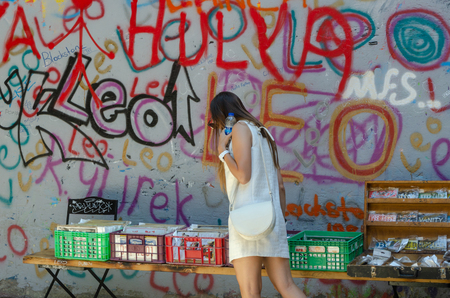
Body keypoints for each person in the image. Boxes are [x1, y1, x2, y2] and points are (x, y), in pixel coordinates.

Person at [209, 91, 307, 298]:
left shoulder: (240, 129)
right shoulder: (264, 133)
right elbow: (280, 185)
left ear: (221, 116)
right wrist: (279, 219)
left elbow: (243, 176)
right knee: (287, 286)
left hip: (246, 219)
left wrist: (222, 151)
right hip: (272, 218)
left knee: (251, 292)